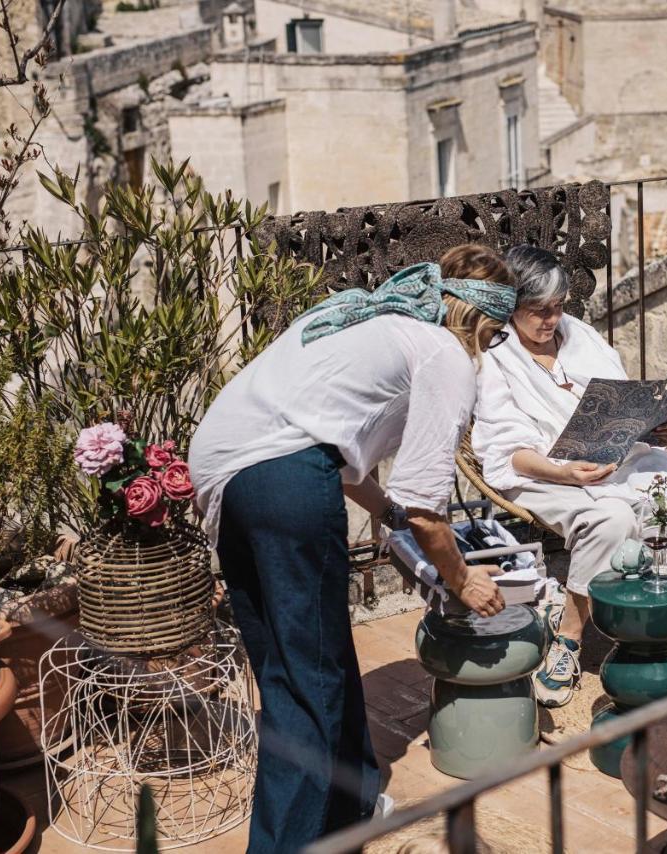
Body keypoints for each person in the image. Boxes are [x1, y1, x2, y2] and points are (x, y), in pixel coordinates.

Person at [187, 245, 517, 852]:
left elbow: (326, 440)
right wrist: (462, 578)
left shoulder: (363, 317)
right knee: (307, 688)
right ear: (476, 320)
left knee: (303, 659)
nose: (489, 349)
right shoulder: (443, 350)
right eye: (495, 336)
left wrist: (384, 513)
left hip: (226, 479)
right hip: (283, 483)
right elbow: (427, 508)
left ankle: (352, 801)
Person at [470, 245, 667, 707]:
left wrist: (656, 426)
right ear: (511, 307)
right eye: (538, 311)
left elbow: (622, 401)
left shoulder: (582, 336)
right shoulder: (496, 357)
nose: (551, 320)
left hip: (620, 458)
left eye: (558, 307)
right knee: (612, 522)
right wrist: (562, 472)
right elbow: (505, 450)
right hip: (543, 472)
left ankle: (634, 617)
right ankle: (570, 637)